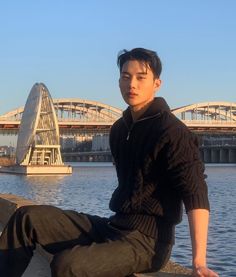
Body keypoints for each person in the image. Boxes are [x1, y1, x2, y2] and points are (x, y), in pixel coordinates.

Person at [0, 48, 218, 277]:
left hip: (148, 243)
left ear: (157, 83)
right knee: (27, 218)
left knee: (68, 264)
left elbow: (196, 194)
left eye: (141, 77)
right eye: (126, 77)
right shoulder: (119, 130)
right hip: (113, 226)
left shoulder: (173, 131)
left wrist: (198, 262)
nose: (132, 84)